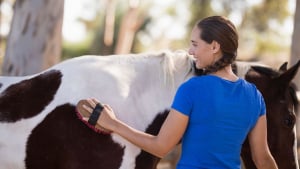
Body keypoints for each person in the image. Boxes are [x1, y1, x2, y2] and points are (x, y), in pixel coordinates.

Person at [78, 16, 278, 169]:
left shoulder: (192, 89)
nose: (190, 52)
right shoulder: (254, 96)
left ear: (215, 46)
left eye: (195, 44)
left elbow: (161, 146)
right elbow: (262, 159)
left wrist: (113, 124)